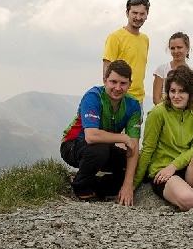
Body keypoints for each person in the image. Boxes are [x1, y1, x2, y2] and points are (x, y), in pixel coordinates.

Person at [134, 66, 193, 210]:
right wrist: (134, 184)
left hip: (187, 169)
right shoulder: (158, 113)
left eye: (182, 91)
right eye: (172, 91)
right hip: (162, 172)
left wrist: (174, 166)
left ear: (190, 92)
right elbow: (147, 149)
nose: (176, 96)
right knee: (188, 200)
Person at [60, 60, 141, 206]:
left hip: (103, 147)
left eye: (123, 83)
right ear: (105, 80)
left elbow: (133, 147)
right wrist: (123, 137)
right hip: (73, 144)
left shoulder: (133, 105)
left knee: (136, 167)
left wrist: (128, 184)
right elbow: (91, 136)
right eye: (113, 82)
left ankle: (96, 185)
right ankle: (81, 187)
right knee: (99, 150)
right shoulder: (93, 96)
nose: (117, 87)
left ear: (130, 84)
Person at [103, 0, 150, 103]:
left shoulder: (145, 39)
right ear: (127, 13)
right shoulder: (115, 37)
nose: (138, 17)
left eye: (142, 14)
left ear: (147, 15)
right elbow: (107, 70)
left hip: (138, 100)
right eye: (134, 13)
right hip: (119, 97)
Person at [152, 32, 192, 105]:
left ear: (187, 48)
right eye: (173, 48)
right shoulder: (162, 69)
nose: (176, 51)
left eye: (179, 47)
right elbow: (156, 98)